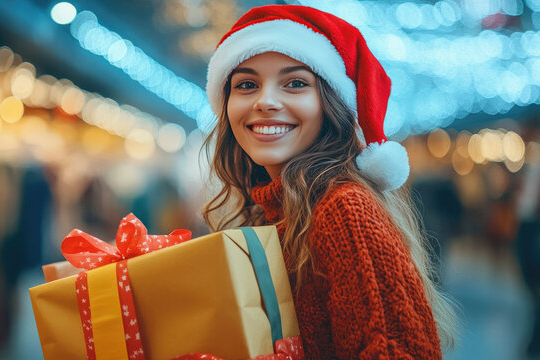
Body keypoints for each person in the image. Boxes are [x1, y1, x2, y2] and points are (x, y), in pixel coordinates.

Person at [187, 4, 458, 360]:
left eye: (295, 83)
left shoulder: (343, 210)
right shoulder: (269, 211)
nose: (265, 101)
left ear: (330, 104)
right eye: (247, 84)